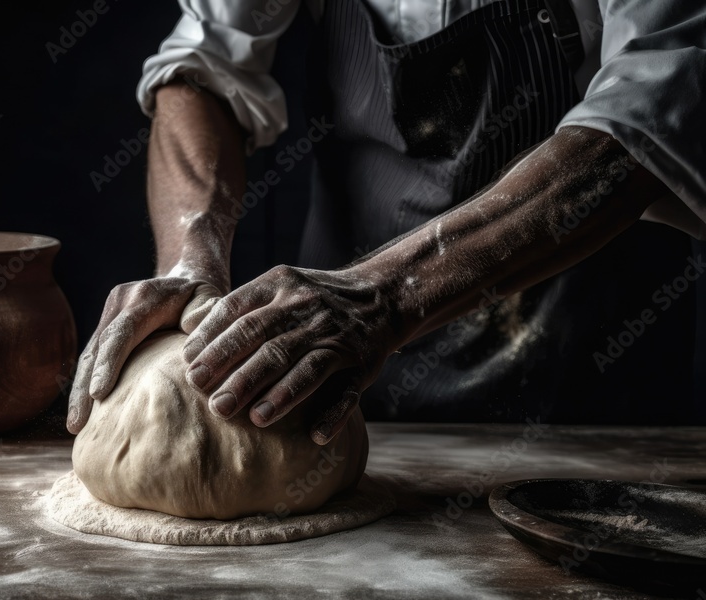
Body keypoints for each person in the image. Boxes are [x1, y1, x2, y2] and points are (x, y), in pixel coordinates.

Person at [68, 0, 706, 443]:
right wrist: (191, 255)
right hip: (341, 369)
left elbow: (649, 114)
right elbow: (207, 61)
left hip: (588, 362)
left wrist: (385, 297)